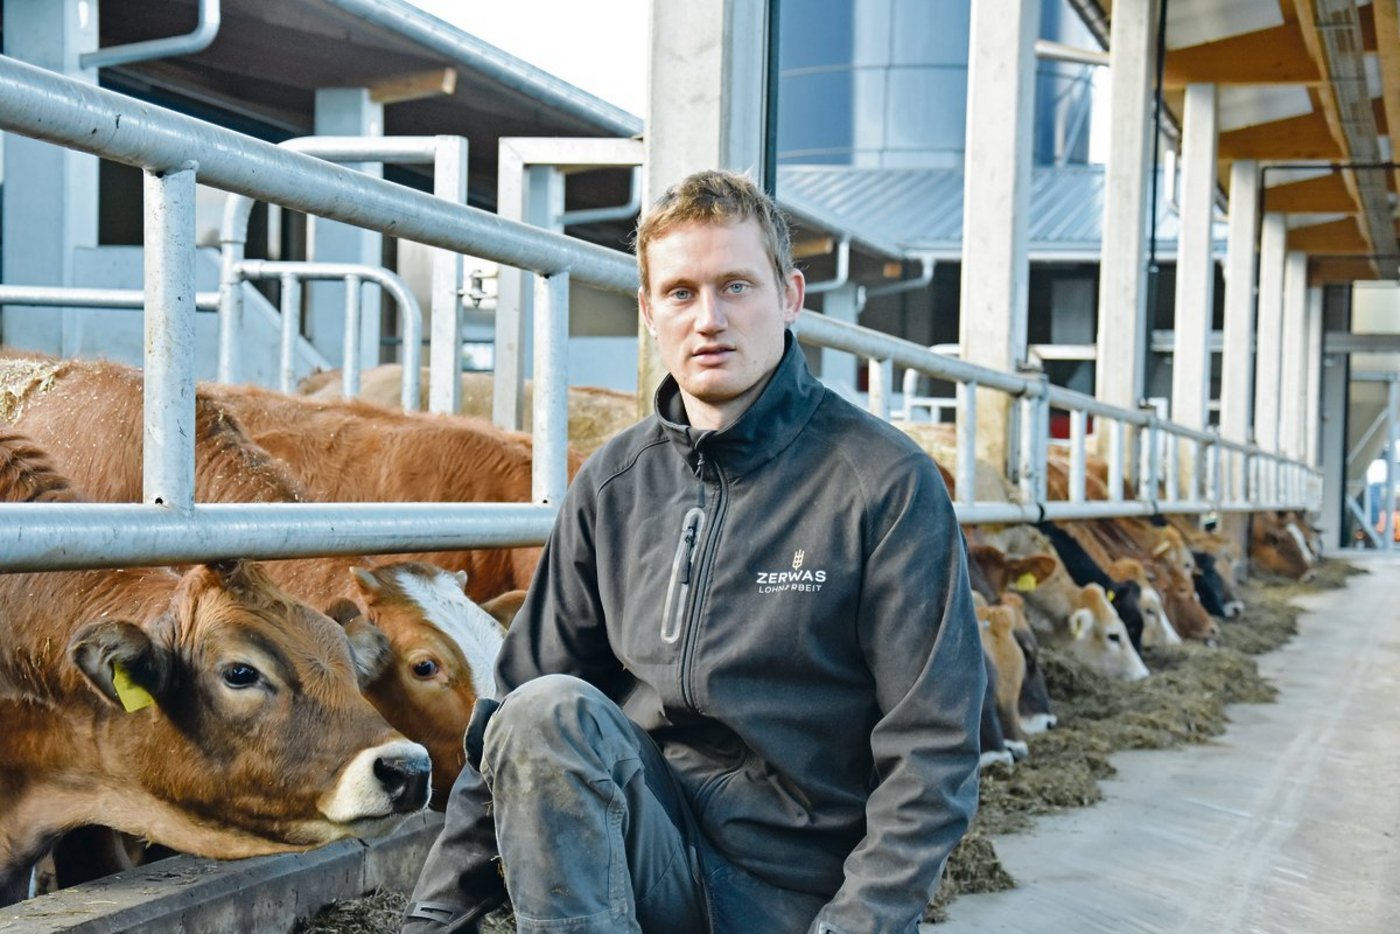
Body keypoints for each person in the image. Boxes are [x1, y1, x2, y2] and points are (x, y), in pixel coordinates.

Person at [402, 169, 984, 934]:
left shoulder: (881, 483)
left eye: (736, 286)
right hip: (645, 868)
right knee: (543, 711)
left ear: (791, 297)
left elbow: (933, 749)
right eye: (680, 292)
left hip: (796, 898)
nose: (709, 318)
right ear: (649, 312)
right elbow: (510, 722)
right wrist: (433, 920)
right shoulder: (614, 484)